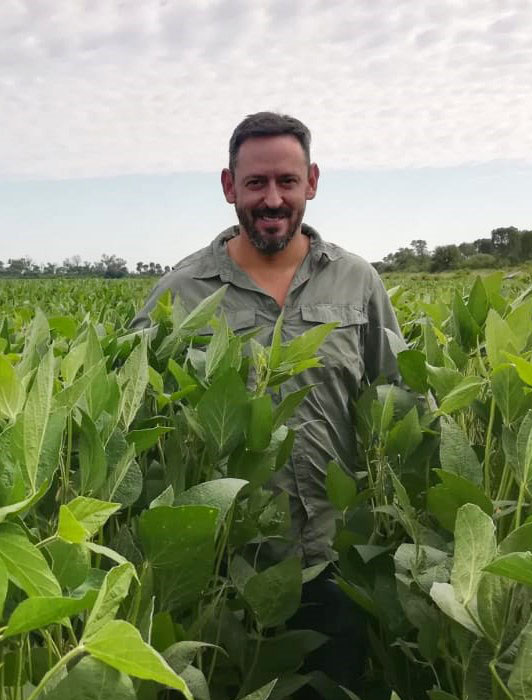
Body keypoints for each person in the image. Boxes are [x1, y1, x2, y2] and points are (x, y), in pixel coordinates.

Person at [132, 111, 406, 565]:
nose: (273, 199)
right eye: (256, 183)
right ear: (229, 186)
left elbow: (398, 396)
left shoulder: (356, 280)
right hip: (227, 554)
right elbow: (137, 421)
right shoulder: (181, 291)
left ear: (311, 182)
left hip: (339, 547)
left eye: (288, 181)